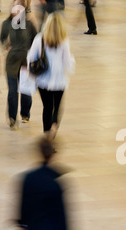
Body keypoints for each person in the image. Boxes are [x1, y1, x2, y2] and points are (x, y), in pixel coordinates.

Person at [27, 12, 75, 141]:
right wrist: (71, 65)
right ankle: (54, 127)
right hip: (59, 80)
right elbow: (67, 61)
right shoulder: (64, 40)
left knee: (47, 107)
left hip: (43, 80)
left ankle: (47, 133)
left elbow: (31, 57)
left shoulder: (40, 38)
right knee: (57, 108)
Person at [0, 0, 38, 129]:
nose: (16, 9)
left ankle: (25, 113)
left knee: (25, 90)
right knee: (12, 91)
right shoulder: (6, 24)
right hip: (12, 62)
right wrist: (6, 47)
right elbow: (2, 39)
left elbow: (36, 40)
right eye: (14, 6)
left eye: (19, 7)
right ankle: (12, 117)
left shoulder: (28, 24)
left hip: (26, 62)